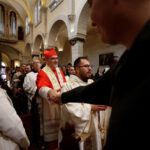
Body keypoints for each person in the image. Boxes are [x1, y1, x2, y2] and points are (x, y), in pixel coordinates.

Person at [50, 0, 150, 150]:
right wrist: (62, 97)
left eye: (91, 4)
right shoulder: (130, 57)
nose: (92, 19)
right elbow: (96, 90)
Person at [60, 57, 109, 150]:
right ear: (77, 69)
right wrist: (90, 107)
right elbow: (70, 108)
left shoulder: (92, 83)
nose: (90, 69)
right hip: (79, 131)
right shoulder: (68, 85)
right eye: (86, 66)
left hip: (95, 127)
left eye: (90, 66)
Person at [36, 48, 66, 150]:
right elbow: (41, 87)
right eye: (53, 59)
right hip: (51, 106)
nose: (56, 61)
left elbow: (65, 84)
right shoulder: (43, 72)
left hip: (62, 103)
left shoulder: (59, 70)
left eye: (57, 58)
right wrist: (49, 91)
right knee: (53, 139)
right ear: (47, 60)